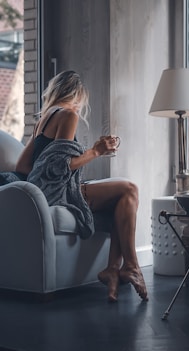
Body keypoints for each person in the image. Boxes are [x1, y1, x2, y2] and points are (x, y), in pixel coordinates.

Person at [14, 70, 148, 302]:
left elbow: (23, 166)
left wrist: (43, 176)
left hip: (42, 190)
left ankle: (114, 270)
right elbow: (61, 166)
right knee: (129, 190)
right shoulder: (68, 114)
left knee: (122, 199)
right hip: (57, 193)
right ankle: (131, 267)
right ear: (78, 95)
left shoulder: (42, 121)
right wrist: (97, 151)